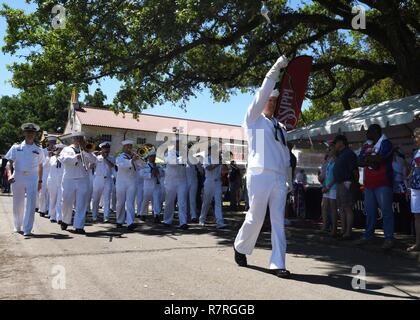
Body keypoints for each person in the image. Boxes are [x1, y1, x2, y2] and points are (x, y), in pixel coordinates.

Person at [233, 55, 291, 278]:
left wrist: (288, 180)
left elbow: (285, 155)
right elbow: (263, 91)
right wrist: (276, 68)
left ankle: (278, 263)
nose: (272, 103)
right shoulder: (253, 120)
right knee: (255, 218)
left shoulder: (281, 127)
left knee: (278, 221)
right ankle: (240, 247)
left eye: (275, 101)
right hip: (258, 174)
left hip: (278, 177)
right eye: (269, 99)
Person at [357, 124, 395, 249]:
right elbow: (359, 161)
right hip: (369, 184)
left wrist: (368, 159)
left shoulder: (386, 143)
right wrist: (370, 159)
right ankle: (368, 236)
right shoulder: (366, 144)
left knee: (386, 211)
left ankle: (389, 238)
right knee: (370, 212)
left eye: (369, 131)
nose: (367, 134)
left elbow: (381, 159)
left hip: (383, 183)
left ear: (375, 132)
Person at [4, 123, 44, 236]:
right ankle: (17, 226)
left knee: (31, 204)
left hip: (32, 177)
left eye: (32, 132)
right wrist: (9, 174)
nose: (30, 134)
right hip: (18, 176)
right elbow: (8, 163)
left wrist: (40, 181)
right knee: (18, 203)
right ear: (24, 133)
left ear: (35, 134)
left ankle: (27, 229)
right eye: (28, 132)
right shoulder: (16, 147)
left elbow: (41, 166)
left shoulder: (38, 149)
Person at [59, 132, 97, 233]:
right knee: (66, 202)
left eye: (80, 138)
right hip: (69, 179)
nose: (79, 140)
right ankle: (65, 220)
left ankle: (79, 226)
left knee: (81, 203)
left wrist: (86, 152)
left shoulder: (86, 150)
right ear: (73, 139)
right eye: (77, 138)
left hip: (83, 179)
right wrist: (76, 157)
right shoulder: (66, 149)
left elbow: (94, 160)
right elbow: (63, 159)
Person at [332, 134, 359, 240]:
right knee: (342, 208)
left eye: (336, 142)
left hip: (346, 183)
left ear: (341, 142)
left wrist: (353, 184)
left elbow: (355, 171)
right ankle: (343, 230)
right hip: (339, 183)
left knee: (347, 208)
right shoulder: (341, 154)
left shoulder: (349, 154)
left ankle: (348, 232)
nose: (335, 145)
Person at [115, 140, 144, 230]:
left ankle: (130, 222)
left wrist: (139, 158)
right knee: (120, 203)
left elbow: (142, 165)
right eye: (127, 146)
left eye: (130, 146)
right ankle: (119, 220)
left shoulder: (135, 157)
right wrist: (132, 160)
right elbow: (122, 165)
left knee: (131, 203)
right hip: (121, 182)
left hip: (132, 182)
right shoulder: (120, 157)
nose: (129, 147)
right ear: (123, 147)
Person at [199, 144, 227, 229]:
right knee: (206, 202)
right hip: (209, 182)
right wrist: (217, 164)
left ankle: (219, 221)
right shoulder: (206, 158)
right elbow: (208, 168)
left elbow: (225, 171)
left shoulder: (219, 159)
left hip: (218, 182)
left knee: (218, 202)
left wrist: (223, 163)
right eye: (213, 149)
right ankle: (202, 219)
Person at [163, 147, 189, 229]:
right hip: (171, 181)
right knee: (169, 202)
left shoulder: (185, 153)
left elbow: (189, 164)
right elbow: (171, 162)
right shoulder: (169, 152)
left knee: (182, 202)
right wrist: (182, 158)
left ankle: (183, 222)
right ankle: (167, 220)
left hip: (182, 180)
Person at [91, 142, 115, 223]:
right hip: (98, 179)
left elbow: (112, 166)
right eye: (105, 148)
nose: (107, 150)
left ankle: (106, 217)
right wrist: (93, 155)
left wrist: (105, 158)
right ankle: (94, 215)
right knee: (95, 199)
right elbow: (91, 166)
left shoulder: (111, 158)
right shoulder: (97, 158)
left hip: (108, 179)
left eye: (108, 148)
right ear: (101, 149)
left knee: (107, 199)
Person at [140, 150, 164, 223]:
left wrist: (159, 172)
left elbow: (163, 174)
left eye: (154, 157)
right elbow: (141, 174)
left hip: (156, 185)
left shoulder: (158, 165)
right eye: (151, 157)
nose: (153, 158)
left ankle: (156, 215)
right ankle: (143, 214)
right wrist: (151, 174)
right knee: (145, 200)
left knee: (156, 200)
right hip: (148, 185)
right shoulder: (145, 166)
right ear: (149, 157)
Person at [407, 127, 420, 252]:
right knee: (417, 217)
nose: (414, 139)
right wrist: (408, 185)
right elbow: (413, 170)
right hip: (416, 189)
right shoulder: (416, 152)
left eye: (416, 136)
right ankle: (418, 243)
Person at [38, 135, 57, 217]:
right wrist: (48, 157)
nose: (52, 144)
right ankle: (42, 209)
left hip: (53, 174)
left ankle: (50, 210)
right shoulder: (42, 151)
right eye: (51, 143)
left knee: (51, 194)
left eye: (54, 143)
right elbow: (41, 165)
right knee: (42, 193)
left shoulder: (58, 151)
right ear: (48, 143)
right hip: (44, 173)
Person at [46, 143, 65, 224]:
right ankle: (52, 215)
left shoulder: (65, 159)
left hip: (61, 181)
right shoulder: (51, 158)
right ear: (55, 150)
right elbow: (44, 166)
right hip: (52, 181)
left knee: (60, 200)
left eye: (61, 150)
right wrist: (48, 157)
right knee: (52, 199)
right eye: (58, 149)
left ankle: (59, 217)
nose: (59, 151)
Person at [321, 148, 338, 236]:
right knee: (324, 207)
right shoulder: (329, 161)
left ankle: (334, 229)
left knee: (333, 208)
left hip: (333, 187)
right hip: (327, 187)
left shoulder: (336, 162)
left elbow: (335, 177)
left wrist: (328, 186)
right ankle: (325, 226)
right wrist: (324, 186)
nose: (328, 151)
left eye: (330, 149)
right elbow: (326, 175)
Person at [186, 143, 199, 222]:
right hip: (184, 180)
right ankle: (185, 215)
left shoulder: (195, 158)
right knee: (184, 199)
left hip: (194, 181)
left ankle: (193, 216)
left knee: (192, 199)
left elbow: (200, 169)